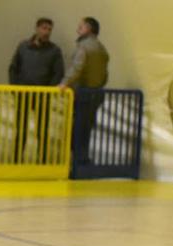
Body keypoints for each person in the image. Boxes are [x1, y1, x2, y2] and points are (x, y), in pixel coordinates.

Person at [8, 17, 62, 163]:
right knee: (21, 129)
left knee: (42, 130)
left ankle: (43, 160)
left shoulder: (54, 50)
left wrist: (49, 91)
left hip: (42, 95)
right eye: (44, 28)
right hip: (23, 93)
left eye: (49, 29)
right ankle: (17, 160)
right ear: (37, 29)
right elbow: (13, 68)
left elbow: (58, 73)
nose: (47, 32)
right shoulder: (23, 47)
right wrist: (15, 88)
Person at [59, 16, 108, 165]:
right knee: (87, 129)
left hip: (83, 94)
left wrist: (63, 84)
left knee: (78, 129)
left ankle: (78, 163)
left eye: (80, 27)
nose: (77, 30)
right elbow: (104, 74)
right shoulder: (102, 48)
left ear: (88, 29)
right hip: (97, 93)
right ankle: (83, 159)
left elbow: (77, 68)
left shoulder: (84, 47)